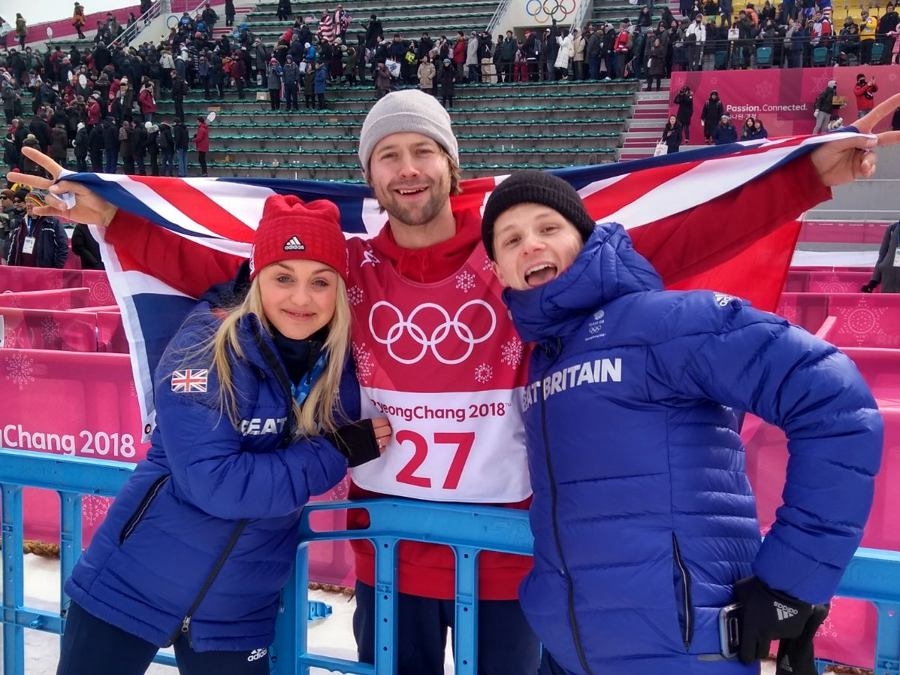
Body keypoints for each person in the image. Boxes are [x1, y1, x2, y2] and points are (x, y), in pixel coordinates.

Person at [10, 90, 900, 675]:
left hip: (513, 562)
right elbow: (236, 262)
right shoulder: (348, 271)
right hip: (390, 549)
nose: (407, 169)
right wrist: (112, 217)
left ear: (450, 159)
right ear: (372, 177)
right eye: (388, 154)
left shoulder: (515, 248)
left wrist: (801, 177)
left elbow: (672, 237)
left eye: (422, 151)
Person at [479, 169, 882, 675]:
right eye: (512, 239)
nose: (532, 245)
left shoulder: (663, 321)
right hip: (572, 655)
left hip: (686, 654)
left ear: (583, 237)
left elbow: (833, 398)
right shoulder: (543, 361)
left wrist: (791, 583)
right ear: (497, 267)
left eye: (548, 228)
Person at [54, 193, 391, 675]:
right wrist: (333, 452)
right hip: (129, 585)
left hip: (239, 611)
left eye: (321, 282)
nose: (301, 298)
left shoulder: (341, 363)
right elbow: (216, 483)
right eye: (283, 278)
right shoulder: (206, 346)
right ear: (256, 280)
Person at [5, 191, 68, 268]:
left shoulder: (52, 223)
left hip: (44, 273)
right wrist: (10, 269)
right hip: (22, 272)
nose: (28, 204)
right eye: (27, 201)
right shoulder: (20, 223)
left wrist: (56, 269)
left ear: (41, 204)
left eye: (32, 201)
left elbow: (63, 247)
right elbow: (12, 248)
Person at [862, 218, 899, 293]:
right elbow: (882, 255)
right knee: (889, 303)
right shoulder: (892, 228)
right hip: (889, 278)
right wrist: (873, 281)